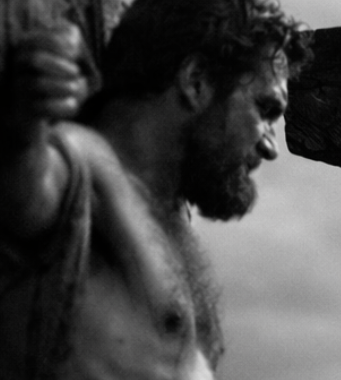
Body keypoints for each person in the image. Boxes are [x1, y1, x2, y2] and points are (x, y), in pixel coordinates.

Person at [0, 0, 309, 378]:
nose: (270, 146)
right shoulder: (83, 167)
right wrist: (23, 123)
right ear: (196, 81)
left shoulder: (170, 219)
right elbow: (23, 187)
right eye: (265, 109)